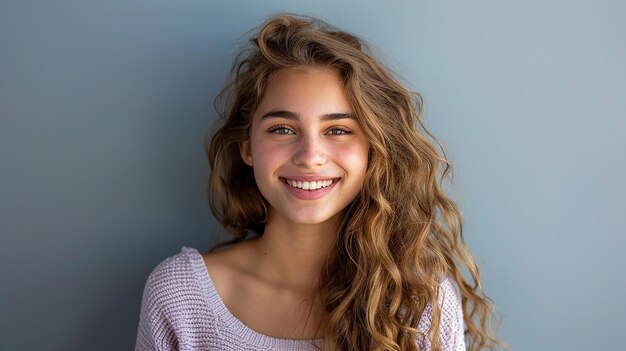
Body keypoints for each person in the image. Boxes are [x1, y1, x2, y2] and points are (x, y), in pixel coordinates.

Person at [135, 13, 504, 351]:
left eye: (338, 130)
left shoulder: (418, 304)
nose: (310, 155)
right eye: (282, 129)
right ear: (247, 148)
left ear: (373, 148)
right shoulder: (180, 297)